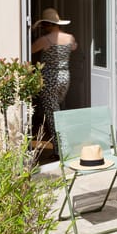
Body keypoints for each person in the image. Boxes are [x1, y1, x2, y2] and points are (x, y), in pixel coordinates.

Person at [32, 8, 77, 157]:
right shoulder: (69, 37)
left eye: (44, 25)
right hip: (65, 77)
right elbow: (74, 47)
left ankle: (61, 150)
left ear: (47, 24)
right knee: (57, 111)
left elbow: (29, 50)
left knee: (52, 116)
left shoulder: (45, 40)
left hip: (50, 79)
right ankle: (62, 146)